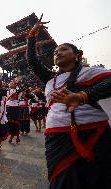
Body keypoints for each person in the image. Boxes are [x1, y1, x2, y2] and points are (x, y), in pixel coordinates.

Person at [27, 14, 111, 189]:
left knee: (96, 179)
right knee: (61, 181)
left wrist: (82, 96)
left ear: (77, 54)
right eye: (55, 52)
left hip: (93, 133)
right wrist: (32, 36)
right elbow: (33, 61)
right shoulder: (50, 78)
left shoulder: (91, 72)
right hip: (57, 138)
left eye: (63, 49)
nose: (57, 53)